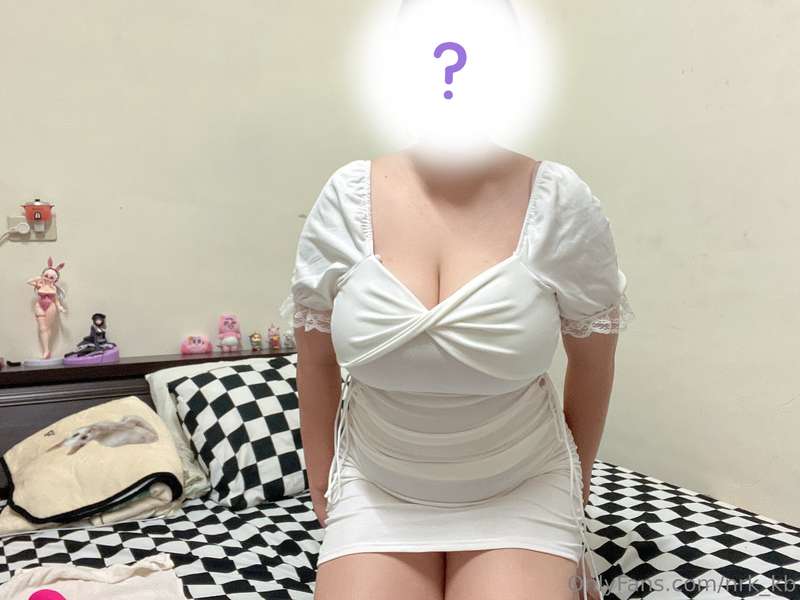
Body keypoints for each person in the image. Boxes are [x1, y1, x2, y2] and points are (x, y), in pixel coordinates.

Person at [282, 143, 634, 600]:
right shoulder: (347, 196)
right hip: (376, 486)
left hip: (521, 484)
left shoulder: (557, 199)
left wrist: (577, 483)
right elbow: (316, 359)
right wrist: (321, 476)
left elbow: (593, 361)